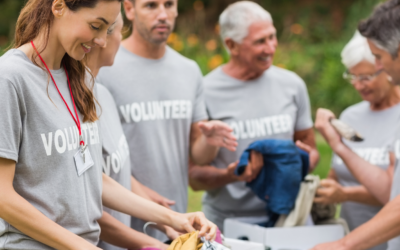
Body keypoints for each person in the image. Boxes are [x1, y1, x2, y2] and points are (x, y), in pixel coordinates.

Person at [0, 0, 217, 249]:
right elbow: (3, 197)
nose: (102, 40)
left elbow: (93, 178)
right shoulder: (10, 79)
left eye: (109, 29)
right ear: (59, 7)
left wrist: (176, 218)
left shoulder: (79, 80)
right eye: (96, 26)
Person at [97, 0, 237, 240]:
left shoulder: (189, 70)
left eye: (169, 4)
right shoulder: (104, 66)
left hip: (179, 224)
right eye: (151, 5)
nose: (163, 14)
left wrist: (209, 140)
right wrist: (139, 194)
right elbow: (101, 160)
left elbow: (200, 157)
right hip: (122, 226)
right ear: (129, 9)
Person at [188, 1, 319, 230]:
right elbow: (194, 177)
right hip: (228, 223)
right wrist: (231, 175)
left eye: (272, 37)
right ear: (232, 45)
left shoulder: (292, 85)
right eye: (260, 41)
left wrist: (300, 160)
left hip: (287, 220)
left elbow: (312, 151)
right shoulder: (205, 90)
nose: (271, 48)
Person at [311, 0, 400, 249]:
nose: (359, 84)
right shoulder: (351, 115)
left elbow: (391, 197)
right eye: (354, 76)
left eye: (378, 59)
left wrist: (345, 244)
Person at [87, 14, 171, 250]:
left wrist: (166, 221)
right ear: (101, 37)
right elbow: (85, 201)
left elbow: (114, 169)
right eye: (120, 33)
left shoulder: (103, 94)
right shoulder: (72, 104)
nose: (121, 42)